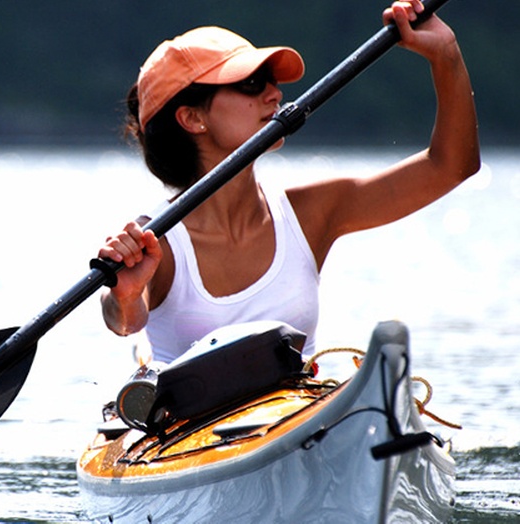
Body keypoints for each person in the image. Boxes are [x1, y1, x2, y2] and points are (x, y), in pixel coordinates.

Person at [98, 0, 480, 364]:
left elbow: (451, 166)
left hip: (294, 414)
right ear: (193, 118)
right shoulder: (154, 241)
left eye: (270, 82)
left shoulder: (311, 214)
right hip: (186, 424)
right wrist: (126, 294)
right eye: (251, 84)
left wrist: (445, 54)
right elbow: (125, 321)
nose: (275, 94)